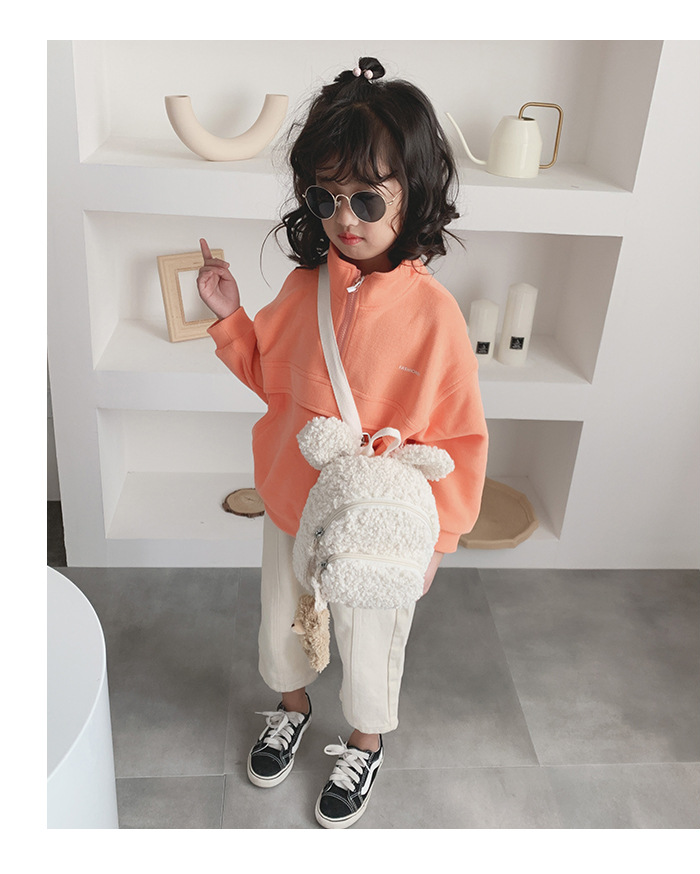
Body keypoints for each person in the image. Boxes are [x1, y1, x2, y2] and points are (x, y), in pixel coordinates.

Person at [197, 56, 488, 829]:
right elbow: (271, 378)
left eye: (366, 198)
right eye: (326, 198)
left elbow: (460, 435)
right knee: (280, 621)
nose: (344, 219)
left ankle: (365, 741)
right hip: (292, 503)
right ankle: (290, 705)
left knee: (370, 637)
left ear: (413, 192)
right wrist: (230, 317)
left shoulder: (435, 317)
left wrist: (440, 540)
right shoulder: (304, 290)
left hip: (377, 525)